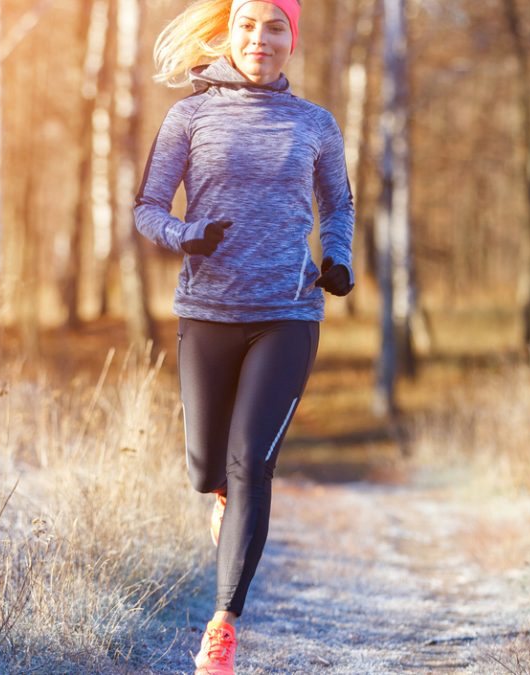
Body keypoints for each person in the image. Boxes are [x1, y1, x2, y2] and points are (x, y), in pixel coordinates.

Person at [133, 0, 355, 672]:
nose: (262, 39)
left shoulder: (315, 123)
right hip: (207, 311)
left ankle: (223, 626)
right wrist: (183, 236)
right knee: (208, 469)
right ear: (229, 34)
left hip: (286, 314)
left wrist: (338, 257)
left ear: (293, 38)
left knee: (251, 461)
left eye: (276, 27)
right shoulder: (190, 116)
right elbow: (147, 206)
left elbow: (338, 202)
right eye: (250, 26)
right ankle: (226, 500)